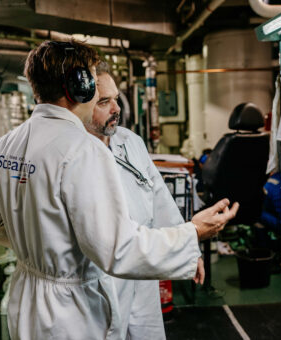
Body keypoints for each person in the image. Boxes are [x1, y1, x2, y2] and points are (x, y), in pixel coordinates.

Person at [0, 40, 239, 340]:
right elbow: (118, 251)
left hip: (28, 299)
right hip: (72, 311)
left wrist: (38, 243)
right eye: (92, 82)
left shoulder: (5, 145)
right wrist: (193, 232)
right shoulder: (81, 149)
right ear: (78, 87)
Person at [85, 61, 199, 339]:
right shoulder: (75, 153)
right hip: (100, 278)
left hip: (141, 273)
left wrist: (188, 248)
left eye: (115, 99)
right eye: (104, 102)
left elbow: (159, 199)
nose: (116, 109)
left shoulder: (130, 141)